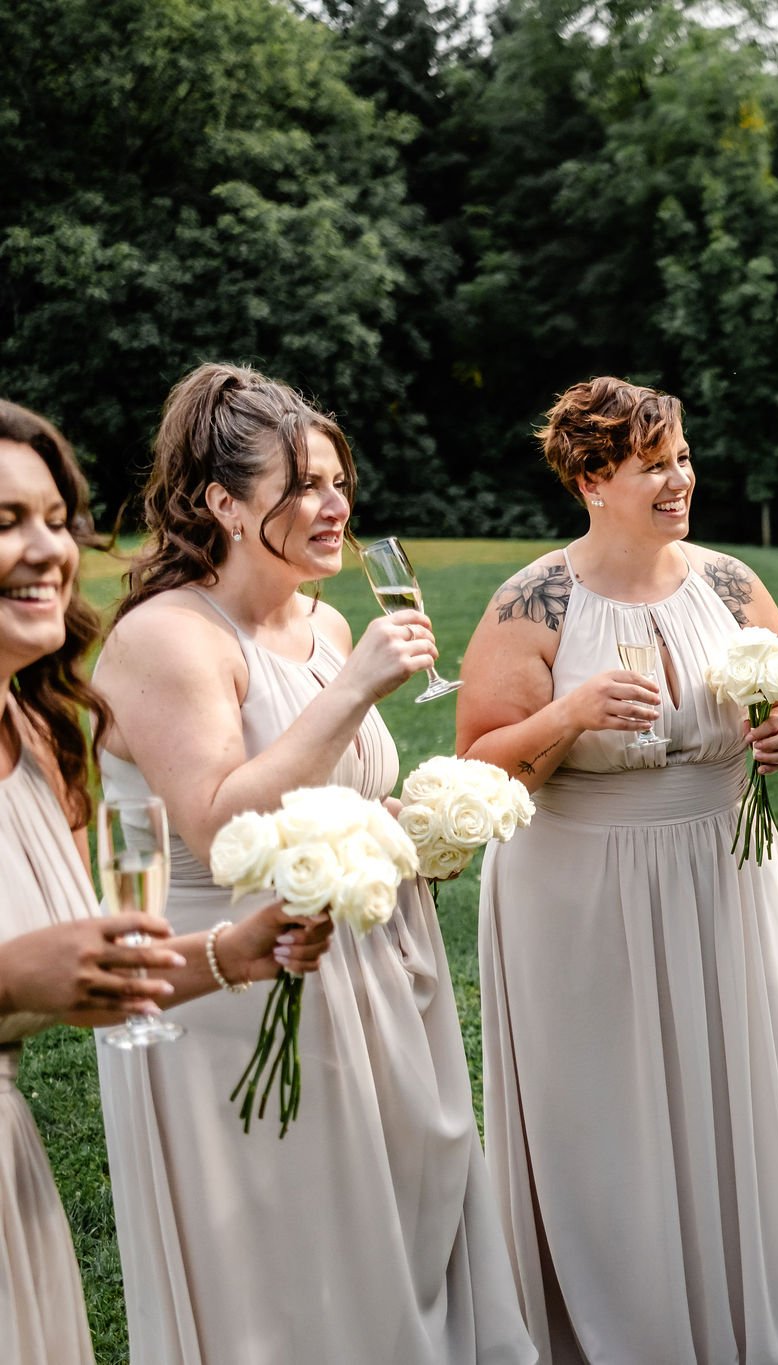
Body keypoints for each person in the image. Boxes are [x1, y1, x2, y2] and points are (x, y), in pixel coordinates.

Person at [92, 365, 534, 1365]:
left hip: (370, 963)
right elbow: (217, 824)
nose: (335, 506)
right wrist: (358, 687)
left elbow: (335, 792)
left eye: (338, 481)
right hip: (239, 991)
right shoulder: (168, 638)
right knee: (292, 1260)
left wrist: (413, 830)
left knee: (389, 1231)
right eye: (303, 486)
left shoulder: (323, 621)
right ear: (222, 503)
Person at [459, 377, 778, 1365]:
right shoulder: (531, 600)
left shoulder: (729, 583)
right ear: (591, 478)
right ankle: (620, 1314)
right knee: (604, 1107)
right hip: (580, 890)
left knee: (727, 1080)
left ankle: (742, 1286)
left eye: (681, 459)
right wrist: (569, 716)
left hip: (722, 870)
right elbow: (476, 765)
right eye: (652, 464)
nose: (678, 481)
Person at [0, 397, 334, 1365]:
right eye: (5, 523)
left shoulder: (37, 736)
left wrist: (231, 952)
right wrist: (15, 980)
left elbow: (86, 969)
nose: (45, 551)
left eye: (56, 520)